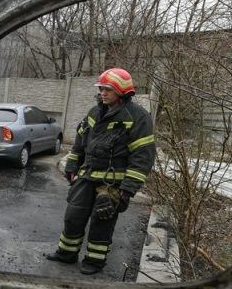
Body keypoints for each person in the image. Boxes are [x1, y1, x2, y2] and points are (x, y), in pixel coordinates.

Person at [45, 68, 156, 275]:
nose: (103, 93)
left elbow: (143, 156)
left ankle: (94, 261)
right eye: (101, 89)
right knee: (73, 216)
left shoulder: (138, 118)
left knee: (101, 221)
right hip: (86, 176)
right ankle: (66, 253)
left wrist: (128, 188)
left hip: (112, 182)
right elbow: (79, 144)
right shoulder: (94, 112)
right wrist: (71, 167)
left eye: (108, 89)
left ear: (123, 92)